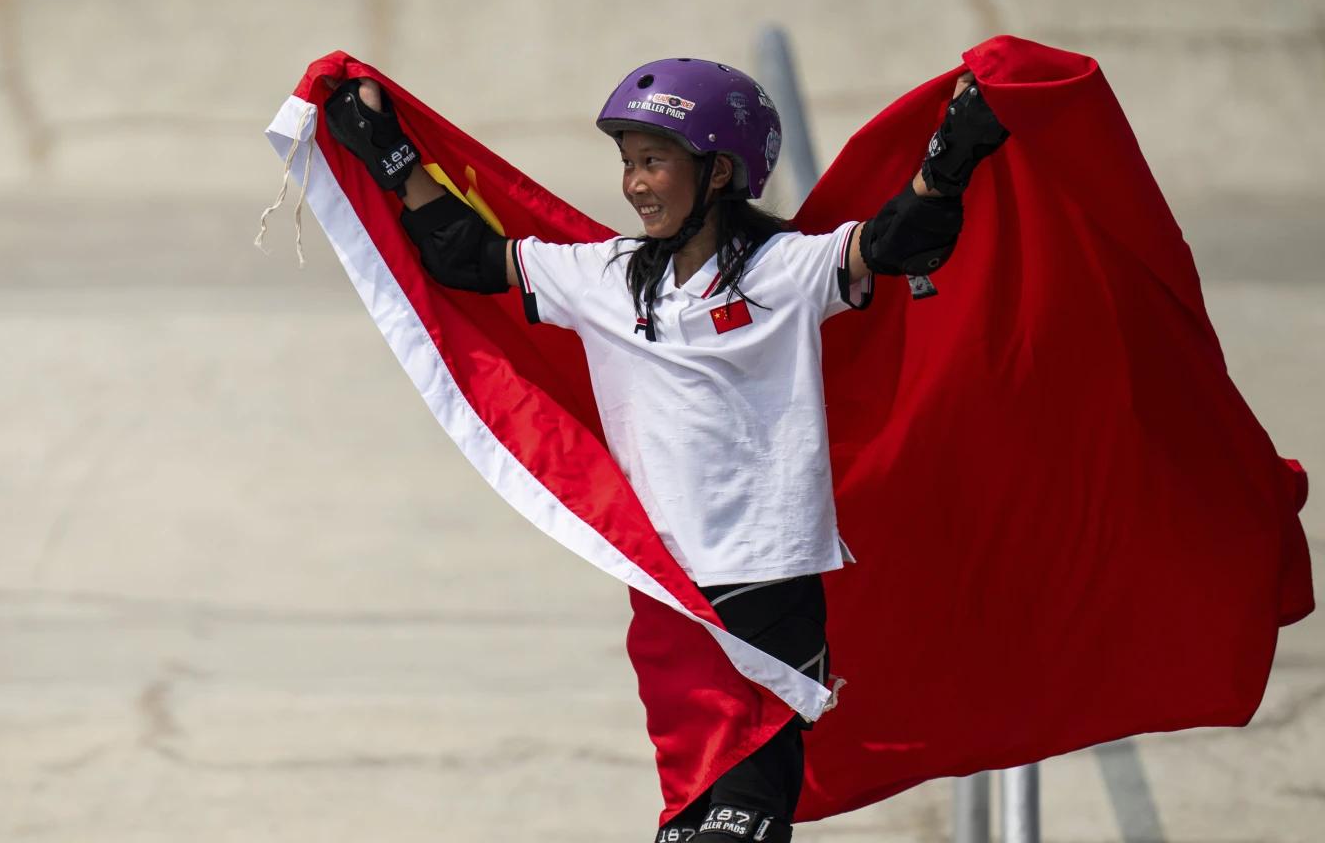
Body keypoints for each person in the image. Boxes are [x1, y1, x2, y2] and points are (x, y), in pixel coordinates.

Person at [322, 58, 1008, 841]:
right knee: (687, 824)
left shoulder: (787, 268)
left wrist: (952, 155)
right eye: (628, 163)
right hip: (666, 593)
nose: (635, 184)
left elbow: (899, 240)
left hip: (767, 586)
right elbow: (468, 258)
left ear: (719, 171)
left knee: (741, 824)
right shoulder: (605, 277)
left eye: (654, 161)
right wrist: (390, 155)